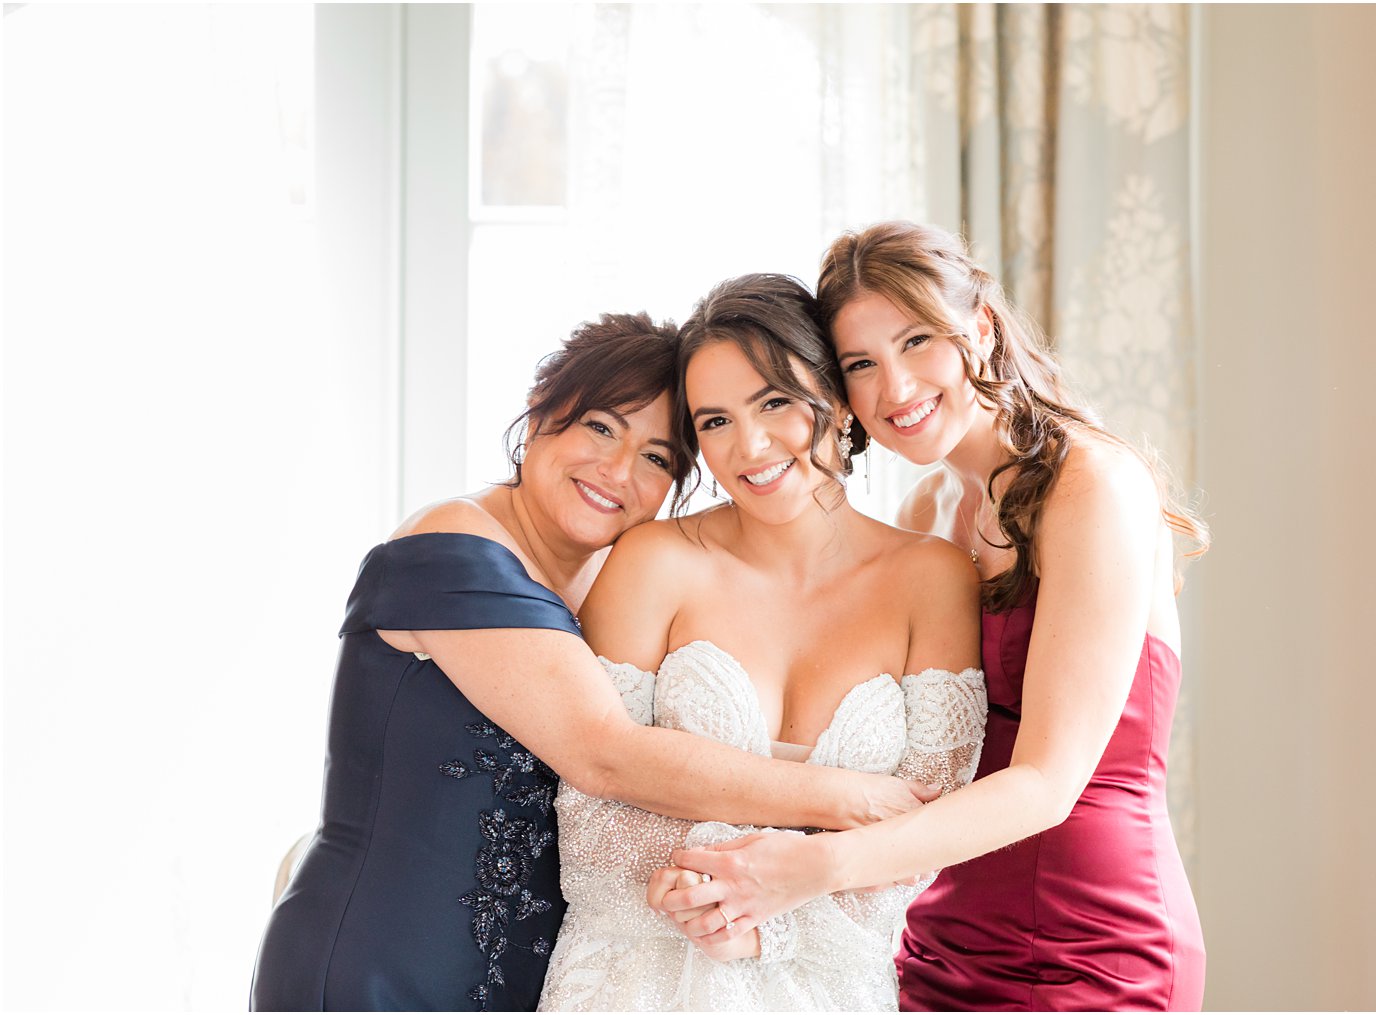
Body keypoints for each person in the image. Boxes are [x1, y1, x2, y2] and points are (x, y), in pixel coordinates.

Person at [248, 312, 937, 1012]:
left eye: (657, 457)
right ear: (542, 409)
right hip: (384, 964)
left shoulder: (610, 581)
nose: (617, 471)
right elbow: (608, 757)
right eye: (602, 427)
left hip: (526, 978)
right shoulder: (450, 549)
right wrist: (850, 795)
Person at [652, 223, 1211, 1011]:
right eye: (861, 365)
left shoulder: (1094, 487)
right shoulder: (933, 509)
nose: (898, 387)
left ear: (978, 329)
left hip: (1093, 938)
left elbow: (1047, 783)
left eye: (917, 342)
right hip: (942, 935)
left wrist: (809, 870)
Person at [535, 274, 987, 1011]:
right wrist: (722, 891)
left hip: (828, 984)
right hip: (632, 975)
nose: (748, 445)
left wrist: (773, 923)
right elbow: (588, 807)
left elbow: (928, 831)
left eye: (774, 401)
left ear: (838, 399)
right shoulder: (654, 562)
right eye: (713, 421)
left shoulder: (931, 577)